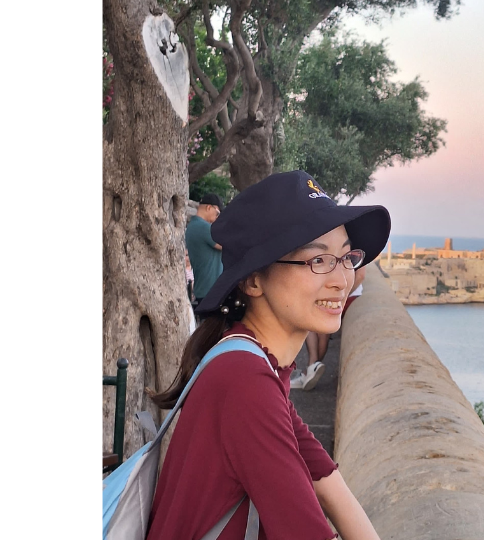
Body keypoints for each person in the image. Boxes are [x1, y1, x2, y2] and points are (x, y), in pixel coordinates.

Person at [147, 170, 390, 540]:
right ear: (253, 280)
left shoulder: (257, 363)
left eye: (345, 257)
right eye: (318, 260)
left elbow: (328, 484)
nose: (342, 280)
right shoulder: (245, 381)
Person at [292, 265, 367, 391]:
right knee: (323, 330)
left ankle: (311, 367)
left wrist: (341, 296)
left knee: (308, 320)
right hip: (350, 295)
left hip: (343, 296)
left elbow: (360, 275)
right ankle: (312, 369)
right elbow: (360, 275)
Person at [186, 193, 225, 309]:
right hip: (212, 291)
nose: (218, 218)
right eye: (218, 213)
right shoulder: (203, 227)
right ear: (209, 208)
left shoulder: (192, 226)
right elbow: (229, 243)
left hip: (203, 289)